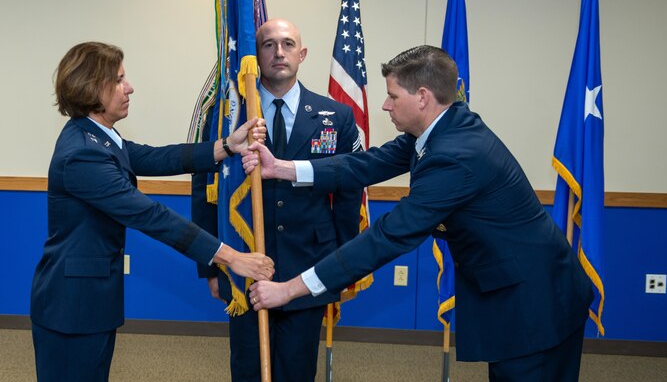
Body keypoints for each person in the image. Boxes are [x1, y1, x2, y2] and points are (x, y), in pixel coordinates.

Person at [243, 45, 594, 381]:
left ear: (423, 97)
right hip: (520, 290)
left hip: (537, 302)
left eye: (393, 96)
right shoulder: (444, 125)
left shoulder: (455, 155)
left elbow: (389, 236)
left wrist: (290, 289)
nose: (384, 105)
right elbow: (369, 163)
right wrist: (284, 169)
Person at [30, 41, 274, 382]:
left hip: (89, 298)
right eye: (118, 79)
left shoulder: (99, 136)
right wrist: (230, 256)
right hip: (72, 306)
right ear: (91, 87)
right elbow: (150, 216)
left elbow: (155, 157)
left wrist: (225, 146)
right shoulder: (82, 154)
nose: (129, 87)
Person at [191, 19, 363, 382]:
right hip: (244, 260)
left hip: (310, 264)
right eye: (268, 45)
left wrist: (344, 260)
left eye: (288, 44)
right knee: (248, 368)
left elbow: (348, 193)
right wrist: (209, 265)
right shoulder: (227, 117)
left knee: (298, 369)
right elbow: (204, 188)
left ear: (302, 55)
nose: (279, 52)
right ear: (256, 55)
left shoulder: (337, 116)